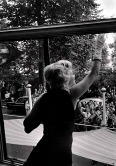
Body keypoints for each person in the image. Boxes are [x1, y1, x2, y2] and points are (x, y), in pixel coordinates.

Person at [23, 34, 105, 166]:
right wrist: (99, 46)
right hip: (62, 155)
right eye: (70, 71)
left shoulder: (45, 98)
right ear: (66, 78)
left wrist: (35, 106)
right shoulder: (72, 94)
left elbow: (28, 127)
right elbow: (94, 73)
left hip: (43, 152)